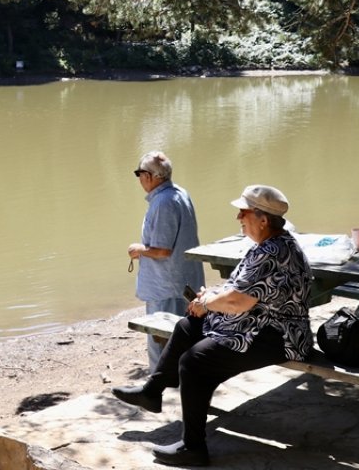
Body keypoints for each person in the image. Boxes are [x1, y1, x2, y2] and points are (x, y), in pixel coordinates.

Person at [112, 184, 313, 467]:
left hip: (279, 336)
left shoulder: (271, 252)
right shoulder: (272, 245)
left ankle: (193, 448)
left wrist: (208, 302)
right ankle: (152, 391)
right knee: (188, 326)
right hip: (260, 325)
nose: (238, 218)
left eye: (243, 212)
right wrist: (210, 298)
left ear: (263, 219)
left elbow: (238, 302)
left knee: (194, 363)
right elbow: (239, 290)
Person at [128, 151, 205, 369]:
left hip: (166, 286)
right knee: (185, 338)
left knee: (162, 341)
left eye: (139, 173)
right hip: (184, 280)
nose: (139, 179)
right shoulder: (180, 193)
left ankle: (158, 390)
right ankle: (181, 384)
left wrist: (139, 250)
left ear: (149, 176)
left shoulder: (163, 203)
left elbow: (162, 250)